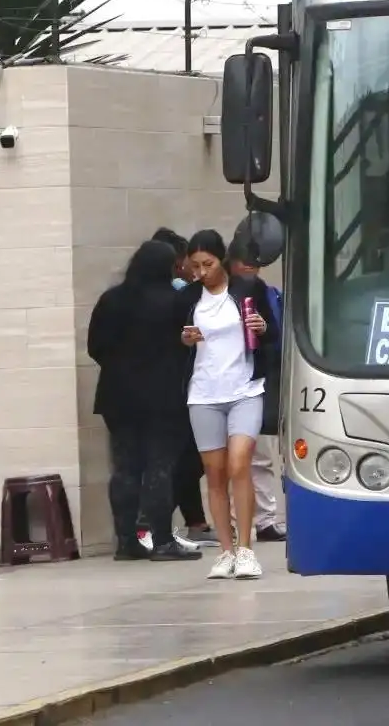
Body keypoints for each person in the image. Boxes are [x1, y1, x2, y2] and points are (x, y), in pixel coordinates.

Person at [87, 240, 202, 562]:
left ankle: (126, 541)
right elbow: (188, 346)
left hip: (116, 396)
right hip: (162, 396)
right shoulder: (175, 302)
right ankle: (163, 540)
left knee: (125, 468)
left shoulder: (111, 300)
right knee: (159, 467)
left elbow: (95, 347)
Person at [180, 230, 279, 579]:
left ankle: (247, 548)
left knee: (240, 464)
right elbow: (174, 342)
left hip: (245, 388)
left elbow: (273, 333)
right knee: (215, 473)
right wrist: (185, 339)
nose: (201, 272)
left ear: (222, 259)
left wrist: (263, 326)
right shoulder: (190, 297)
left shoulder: (247, 289)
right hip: (204, 393)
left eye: (207, 264)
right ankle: (225, 551)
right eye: (195, 266)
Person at [145, 227, 216, 549]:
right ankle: (150, 521)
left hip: (177, 388)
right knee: (187, 457)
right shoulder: (177, 297)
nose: (193, 268)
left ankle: (196, 523)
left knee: (188, 456)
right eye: (189, 261)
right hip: (178, 389)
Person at [228, 238, 286, 543]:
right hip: (226, 384)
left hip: (257, 381)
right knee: (236, 459)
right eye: (244, 260)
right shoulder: (217, 293)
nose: (250, 266)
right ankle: (245, 520)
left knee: (259, 455)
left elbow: (275, 337)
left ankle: (262, 518)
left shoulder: (266, 293)